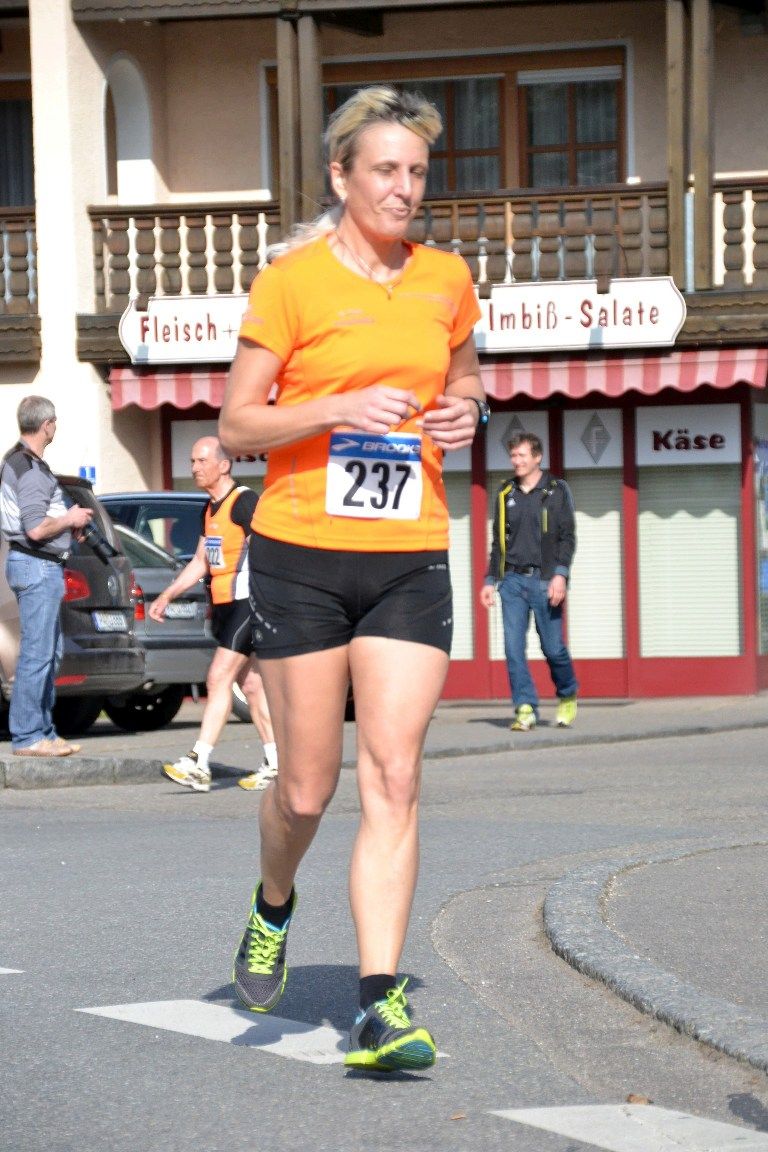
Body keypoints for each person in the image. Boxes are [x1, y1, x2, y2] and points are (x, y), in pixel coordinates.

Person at [218, 85, 488, 1074]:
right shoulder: (290, 283)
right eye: (385, 170)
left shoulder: (446, 278)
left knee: (397, 775)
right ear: (341, 176)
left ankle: (379, 1006)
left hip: (408, 552)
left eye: (417, 172)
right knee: (305, 790)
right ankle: (272, 904)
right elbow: (237, 424)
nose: (404, 188)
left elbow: (465, 377)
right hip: (302, 554)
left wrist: (467, 411)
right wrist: (333, 408)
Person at [149, 436, 277, 793]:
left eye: (201, 461)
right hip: (224, 607)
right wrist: (167, 595)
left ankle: (198, 762)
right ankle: (276, 763)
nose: (194, 468)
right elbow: (201, 561)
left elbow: (265, 551)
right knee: (251, 686)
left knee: (218, 677)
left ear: (224, 465)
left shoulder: (243, 501)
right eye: (192, 461)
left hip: (248, 603)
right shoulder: (209, 508)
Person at [0, 395, 94, 757]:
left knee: (49, 653)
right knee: (37, 654)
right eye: (54, 422)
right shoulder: (28, 468)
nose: (55, 427)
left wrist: (69, 526)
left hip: (38, 564)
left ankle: (43, 731)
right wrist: (70, 519)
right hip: (36, 565)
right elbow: (36, 528)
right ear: (46, 425)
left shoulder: (24, 462)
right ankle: (28, 736)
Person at [480, 431, 578, 731]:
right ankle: (525, 708)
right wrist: (490, 580)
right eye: (513, 455)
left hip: (545, 580)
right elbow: (498, 542)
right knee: (513, 648)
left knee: (553, 648)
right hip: (512, 581)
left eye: (521, 455)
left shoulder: (556, 490)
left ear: (537, 457)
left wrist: (560, 575)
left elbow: (567, 537)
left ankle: (567, 692)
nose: (516, 461)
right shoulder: (505, 493)